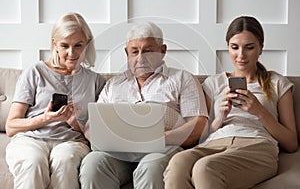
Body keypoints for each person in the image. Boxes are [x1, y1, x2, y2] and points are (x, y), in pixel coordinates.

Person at [163, 16, 298, 189]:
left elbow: (291, 143)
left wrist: (259, 111)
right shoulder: (213, 84)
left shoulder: (277, 83)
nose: (241, 55)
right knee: (178, 163)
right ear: (228, 47)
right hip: (215, 143)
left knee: (204, 168)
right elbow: (201, 135)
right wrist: (219, 118)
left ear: (261, 48)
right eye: (235, 47)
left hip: (256, 145)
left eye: (249, 47)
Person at [79, 21, 209, 189]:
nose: (140, 58)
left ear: (162, 51)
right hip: (119, 153)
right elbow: (91, 126)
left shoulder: (182, 79)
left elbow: (200, 124)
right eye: (135, 51)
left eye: (148, 50)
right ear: (127, 53)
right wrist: (107, 139)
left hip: (162, 149)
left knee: (151, 166)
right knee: (93, 163)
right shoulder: (113, 85)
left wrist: (161, 138)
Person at [5, 12, 106, 189]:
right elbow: (11, 126)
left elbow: (99, 133)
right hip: (31, 140)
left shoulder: (95, 81)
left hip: (71, 142)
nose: (71, 53)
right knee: (33, 161)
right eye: (64, 45)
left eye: (78, 45)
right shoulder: (35, 72)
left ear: (87, 44)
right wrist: (46, 118)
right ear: (55, 44)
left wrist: (74, 122)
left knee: (65, 161)